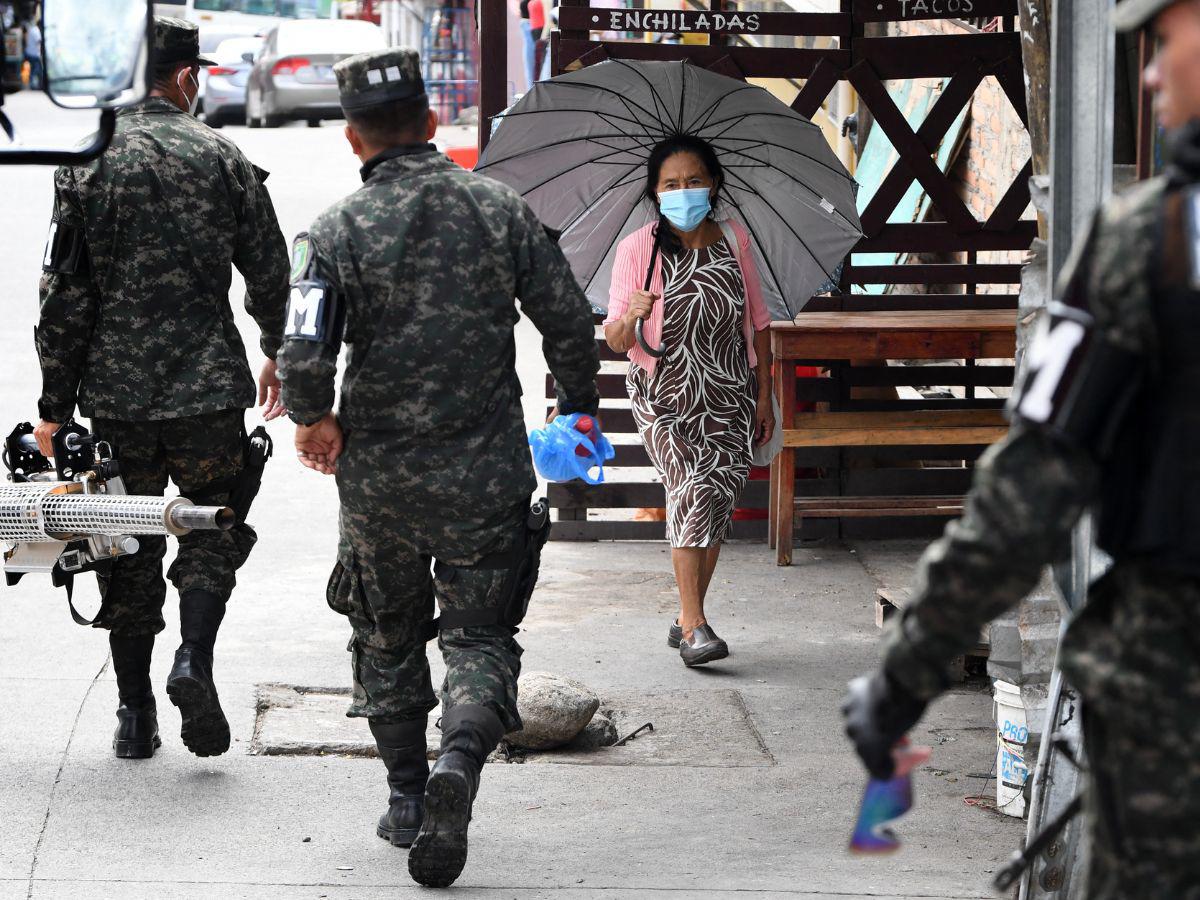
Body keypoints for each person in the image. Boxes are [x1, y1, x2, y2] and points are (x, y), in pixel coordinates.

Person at [843, 0, 1200, 895]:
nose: (1148, 76)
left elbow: (1032, 488)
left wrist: (906, 670)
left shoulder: (1151, 244)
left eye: (1167, 41)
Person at [277, 48, 600, 888]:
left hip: (379, 482)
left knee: (385, 637)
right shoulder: (501, 210)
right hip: (486, 473)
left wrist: (315, 424)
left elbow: (303, 355)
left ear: (354, 140)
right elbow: (569, 322)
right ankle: (460, 757)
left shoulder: (335, 231)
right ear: (430, 124)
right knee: (480, 635)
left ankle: (409, 798)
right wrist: (569, 406)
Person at [35, 17, 289, 761]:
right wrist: (278, 352)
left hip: (116, 398)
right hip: (209, 390)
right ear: (183, 78)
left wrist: (55, 406)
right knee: (213, 523)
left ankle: (135, 716)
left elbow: (63, 296)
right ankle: (194, 662)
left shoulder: (84, 163)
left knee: (125, 542)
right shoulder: (223, 156)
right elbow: (271, 272)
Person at [604, 135, 774, 668]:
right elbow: (615, 340)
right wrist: (633, 313)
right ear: (655, 194)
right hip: (664, 394)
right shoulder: (638, 249)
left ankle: (684, 619)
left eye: (694, 181)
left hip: (729, 390)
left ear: (714, 184)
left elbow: (760, 323)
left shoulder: (735, 240)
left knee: (715, 501)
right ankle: (697, 625)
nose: (684, 192)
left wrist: (765, 394)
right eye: (671, 184)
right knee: (690, 490)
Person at [23, 19, 40, 90]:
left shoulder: (32, 29)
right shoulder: (37, 31)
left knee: (31, 69)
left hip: (28, 52)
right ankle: (33, 85)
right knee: (36, 69)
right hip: (34, 54)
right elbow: (38, 42)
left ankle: (29, 84)